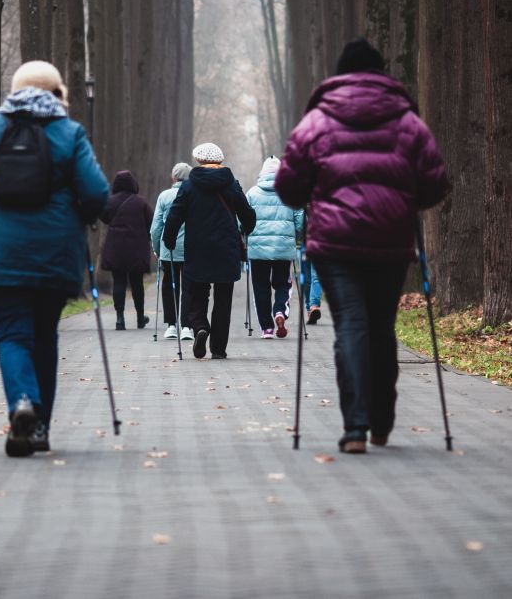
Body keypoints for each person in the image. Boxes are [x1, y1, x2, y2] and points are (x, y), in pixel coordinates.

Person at [275, 38, 449, 453]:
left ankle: (354, 426)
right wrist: (407, 201)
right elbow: (435, 182)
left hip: (334, 243)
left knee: (351, 325)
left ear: (339, 75)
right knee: (381, 326)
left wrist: (308, 197)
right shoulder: (407, 121)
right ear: (382, 73)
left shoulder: (317, 122)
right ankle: (383, 421)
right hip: (390, 240)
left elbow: (288, 185)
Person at [0, 60, 109, 457]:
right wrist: (83, 216)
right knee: (44, 337)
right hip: (54, 256)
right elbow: (96, 193)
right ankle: (39, 429)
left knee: (13, 334)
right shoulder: (69, 132)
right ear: (57, 94)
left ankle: (21, 401)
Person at [163, 143, 256, 359]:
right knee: (223, 300)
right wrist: (243, 231)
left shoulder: (188, 187)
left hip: (197, 250)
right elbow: (249, 216)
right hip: (226, 250)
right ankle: (218, 349)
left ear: (198, 161)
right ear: (220, 161)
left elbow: (174, 216)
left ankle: (200, 327)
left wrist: (169, 240)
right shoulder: (232, 186)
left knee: (197, 295)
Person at [245, 155, 303, 338]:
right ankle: (279, 312)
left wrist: (245, 234)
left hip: (258, 250)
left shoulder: (252, 193)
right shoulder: (290, 192)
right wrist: (297, 236)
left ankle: (267, 328)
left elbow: (243, 219)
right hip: (283, 248)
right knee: (282, 284)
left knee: (260, 287)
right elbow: (300, 220)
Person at [100, 170, 153, 330]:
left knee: (119, 281)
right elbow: (151, 222)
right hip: (136, 249)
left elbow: (104, 217)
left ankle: (119, 319)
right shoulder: (141, 203)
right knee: (137, 283)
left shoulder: (110, 201)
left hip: (116, 248)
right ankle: (139, 318)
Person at [150, 162, 194, 340]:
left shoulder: (164, 196)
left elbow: (156, 228)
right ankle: (187, 326)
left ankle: (171, 325)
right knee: (189, 287)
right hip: (191, 250)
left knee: (169, 286)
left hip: (169, 250)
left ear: (173, 178)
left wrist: (157, 249)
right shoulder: (194, 195)